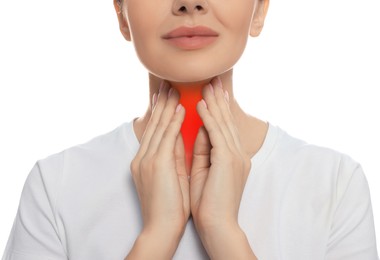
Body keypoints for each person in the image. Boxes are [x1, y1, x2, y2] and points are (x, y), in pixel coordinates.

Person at [2, 0, 378, 259]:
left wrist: (224, 235)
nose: (189, 2)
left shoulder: (334, 184)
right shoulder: (56, 185)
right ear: (121, 14)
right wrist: (156, 239)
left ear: (259, 9)